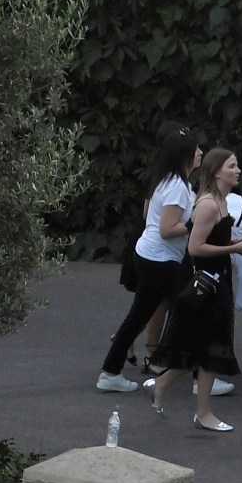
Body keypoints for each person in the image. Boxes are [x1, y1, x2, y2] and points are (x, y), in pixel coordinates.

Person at [144, 148, 242, 431]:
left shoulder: (223, 201)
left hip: (218, 278)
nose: (238, 170)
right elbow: (195, 247)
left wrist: (236, 244)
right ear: (217, 172)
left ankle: (190, 403)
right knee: (202, 345)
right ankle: (198, 409)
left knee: (209, 346)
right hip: (205, 281)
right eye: (232, 165)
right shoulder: (208, 204)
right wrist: (234, 248)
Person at [97, 127, 201, 392]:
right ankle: (201, 379)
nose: (201, 153)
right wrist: (195, 223)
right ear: (185, 155)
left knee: (138, 316)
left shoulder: (166, 179)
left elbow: (150, 217)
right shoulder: (177, 186)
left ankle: (110, 373)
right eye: (196, 149)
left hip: (148, 255)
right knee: (195, 310)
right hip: (160, 260)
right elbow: (167, 230)